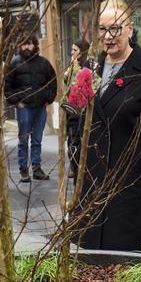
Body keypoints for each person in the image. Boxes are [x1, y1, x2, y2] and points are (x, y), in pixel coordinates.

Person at [79, 0, 141, 253]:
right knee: (94, 264)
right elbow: (79, 117)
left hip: (131, 183)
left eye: (115, 28)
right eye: (102, 29)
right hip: (94, 180)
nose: (108, 36)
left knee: (125, 259)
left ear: (130, 28)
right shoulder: (90, 68)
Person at [4, 35, 57, 182]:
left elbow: (53, 82)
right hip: (24, 107)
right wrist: (17, 102)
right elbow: (7, 86)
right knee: (23, 140)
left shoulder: (44, 63)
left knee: (37, 140)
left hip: (40, 108)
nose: (26, 47)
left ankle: (36, 168)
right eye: (24, 44)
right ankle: (23, 170)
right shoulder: (14, 63)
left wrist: (48, 99)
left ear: (35, 45)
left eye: (29, 44)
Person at [63, 39, 95, 180]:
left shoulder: (87, 69)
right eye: (71, 50)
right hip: (71, 110)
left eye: (75, 50)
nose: (72, 53)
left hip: (81, 112)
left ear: (82, 52)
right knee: (72, 140)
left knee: (78, 141)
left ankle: (78, 172)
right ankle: (74, 166)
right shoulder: (72, 66)